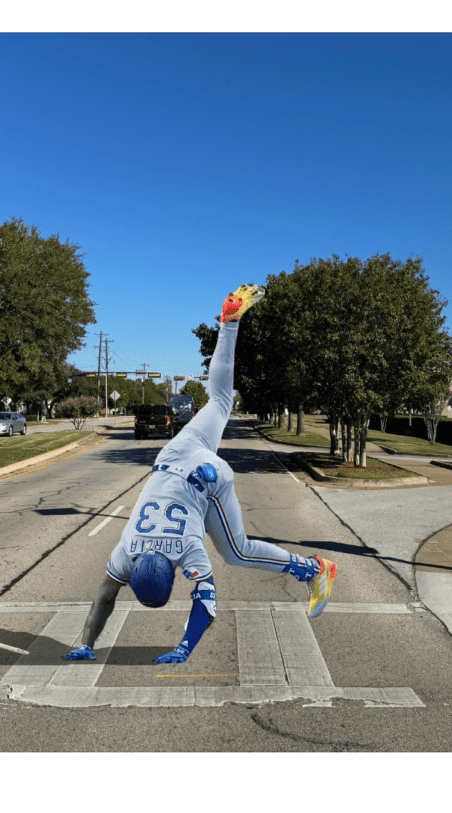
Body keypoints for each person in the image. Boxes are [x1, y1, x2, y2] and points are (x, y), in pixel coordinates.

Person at [63, 283, 337, 664]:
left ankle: (314, 570)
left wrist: (183, 648)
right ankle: (229, 324)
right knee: (220, 401)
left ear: (171, 575)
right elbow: (106, 594)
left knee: (237, 552)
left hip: (208, 476)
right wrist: (86, 643)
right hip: (174, 452)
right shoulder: (126, 547)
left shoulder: (184, 551)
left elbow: (204, 604)